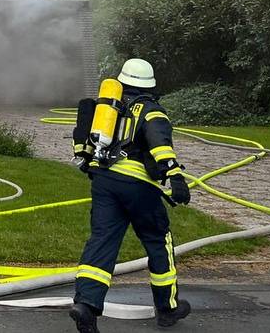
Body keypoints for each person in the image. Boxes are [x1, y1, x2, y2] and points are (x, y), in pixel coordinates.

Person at [69, 58, 191, 333]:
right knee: (159, 241)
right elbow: (160, 144)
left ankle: (86, 305)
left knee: (102, 241)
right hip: (137, 185)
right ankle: (167, 309)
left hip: (103, 180)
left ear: (122, 82)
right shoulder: (151, 110)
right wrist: (176, 177)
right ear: (150, 86)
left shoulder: (109, 107)